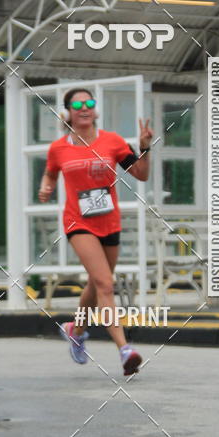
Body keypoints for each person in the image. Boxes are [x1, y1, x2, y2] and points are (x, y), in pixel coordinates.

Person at [38, 87, 152, 375]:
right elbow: (51, 170)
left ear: (95, 109)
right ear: (68, 112)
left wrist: (145, 148)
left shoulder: (112, 142)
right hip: (78, 222)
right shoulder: (58, 148)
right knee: (105, 284)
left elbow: (141, 174)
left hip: (109, 221)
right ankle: (125, 349)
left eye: (89, 102)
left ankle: (76, 330)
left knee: (96, 282)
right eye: (77, 104)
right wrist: (47, 186)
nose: (84, 108)